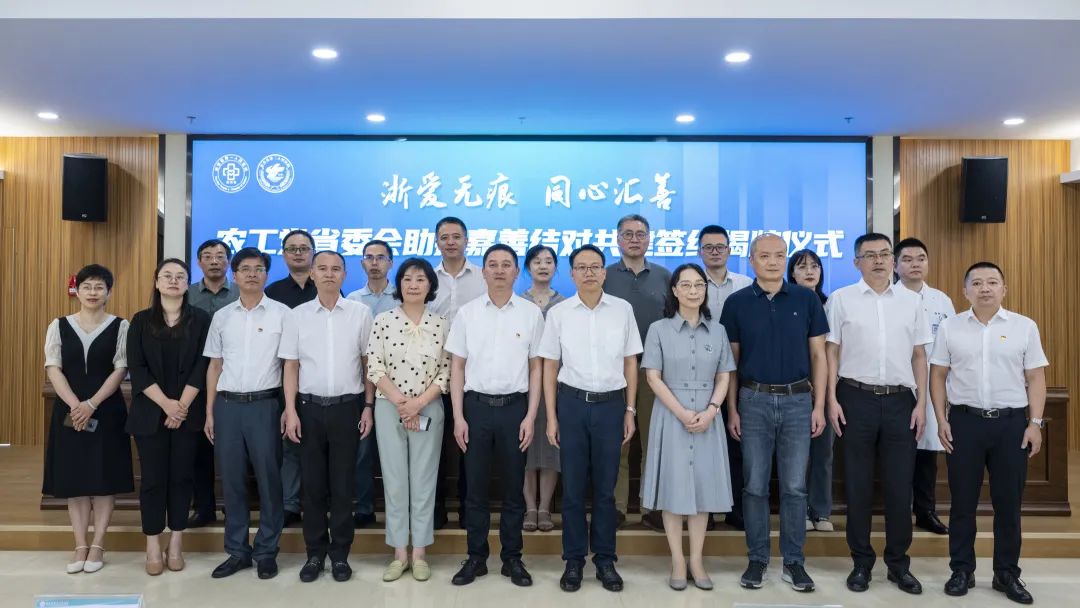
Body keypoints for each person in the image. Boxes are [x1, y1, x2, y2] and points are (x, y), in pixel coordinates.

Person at [931, 262, 1047, 605]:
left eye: (992, 282)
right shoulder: (950, 327)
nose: (985, 288)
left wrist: (1035, 423)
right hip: (964, 422)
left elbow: (1036, 378)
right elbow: (938, 375)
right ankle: (961, 570)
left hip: (1011, 425)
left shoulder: (1024, 326)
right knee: (962, 503)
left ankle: (1006, 573)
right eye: (978, 283)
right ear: (965, 291)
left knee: (1008, 504)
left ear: (1003, 289)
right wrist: (940, 419)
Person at [826, 233, 932, 595]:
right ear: (856, 262)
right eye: (870, 255)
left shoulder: (911, 301)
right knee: (857, 486)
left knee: (900, 487)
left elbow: (919, 355)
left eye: (885, 254)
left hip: (901, 401)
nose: (878, 261)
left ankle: (899, 565)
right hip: (854, 398)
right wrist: (831, 399)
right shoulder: (841, 299)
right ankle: (861, 563)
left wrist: (921, 403)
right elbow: (831, 353)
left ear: (892, 260)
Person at [722, 235, 829, 592]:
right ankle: (757, 559)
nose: (773, 261)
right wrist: (732, 409)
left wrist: (819, 406)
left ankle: (794, 562)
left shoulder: (806, 299)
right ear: (752, 260)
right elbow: (731, 363)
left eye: (779, 255)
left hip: (799, 401)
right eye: (765, 256)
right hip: (753, 401)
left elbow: (819, 356)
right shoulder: (737, 303)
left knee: (795, 487)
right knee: (754, 486)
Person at [539, 244, 641, 593]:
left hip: (611, 406)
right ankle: (573, 560)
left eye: (595, 266)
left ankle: (605, 559)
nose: (589, 273)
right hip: (571, 405)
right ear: (571, 274)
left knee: (605, 489)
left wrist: (630, 410)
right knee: (572, 490)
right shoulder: (559, 313)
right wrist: (551, 417)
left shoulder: (622, 310)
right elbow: (550, 366)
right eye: (581, 267)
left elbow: (630, 362)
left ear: (604, 272)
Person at [447, 244, 545, 587]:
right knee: (474, 489)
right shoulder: (468, 313)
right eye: (493, 264)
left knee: (513, 489)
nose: (500, 270)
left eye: (506, 265)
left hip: (515, 408)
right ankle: (476, 557)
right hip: (475, 408)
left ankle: (512, 558)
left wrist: (530, 416)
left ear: (517, 272)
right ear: (483, 271)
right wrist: (458, 417)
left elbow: (536, 368)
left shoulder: (531, 314)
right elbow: (457, 367)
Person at [279, 250, 373, 583]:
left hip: (348, 408)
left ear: (345, 274)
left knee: (343, 485)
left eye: (336, 269)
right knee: (313, 487)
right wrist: (290, 410)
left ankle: (341, 555)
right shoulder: (297, 315)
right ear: (313, 274)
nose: (329, 274)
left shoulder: (360, 313)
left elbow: (368, 364)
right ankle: (315, 554)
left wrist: (368, 406)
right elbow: (291, 366)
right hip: (308, 409)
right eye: (323, 268)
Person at [640, 263, 735, 591]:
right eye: (686, 285)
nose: (693, 291)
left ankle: (696, 559)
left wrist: (711, 411)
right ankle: (678, 561)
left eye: (699, 285)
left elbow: (724, 376)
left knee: (701, 491)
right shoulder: (658, 329)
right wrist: (682, 413)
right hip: (671, 415)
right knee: (674, 489)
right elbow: (653, 377)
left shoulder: (718, 331)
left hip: (708, 417)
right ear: (675, 290)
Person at [203, 248, 289, 580]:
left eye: (258, 268)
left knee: (269, 480)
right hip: (227, 406)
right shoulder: (222, 316)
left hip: (265, 405)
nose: (252, 274)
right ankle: (237, 551)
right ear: (234, 275)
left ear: (266, 274)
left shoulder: (282, 314)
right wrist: (210, 411)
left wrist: (288, 408)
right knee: (232, 481)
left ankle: (266, 551)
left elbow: (290, 366)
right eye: (245, 269)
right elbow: (215, 366)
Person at [42, 264, 133, 574]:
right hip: (69, 412)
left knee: (103, 479)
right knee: (76, 479)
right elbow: (53, 367)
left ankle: (98, 544)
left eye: (99, 287)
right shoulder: (59, 325)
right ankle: (80, 544)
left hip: (106, 410)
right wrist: (75, 406)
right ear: (77, 291)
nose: (93, 292)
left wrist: (91, 404)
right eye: (87, 286)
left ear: (109, 292)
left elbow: (121, 369)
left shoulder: (121, 326)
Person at [366, 258, 451, 583]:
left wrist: (418, 404)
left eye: (420, 279)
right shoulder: (383, 321)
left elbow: (446, 371)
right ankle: (399, 553)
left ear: (430, 285)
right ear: (398, 285)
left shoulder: (441, 323)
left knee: (424, 481)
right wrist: (403, 404)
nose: (413, 284)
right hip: (390, 408)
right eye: (407, 279)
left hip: (428, 407)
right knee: (395, 480)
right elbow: (374, 366)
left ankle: (419, 554)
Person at [126, 258, 211, 576]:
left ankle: (175, 542)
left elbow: (203, 365)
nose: (173, 281)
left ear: (187, 284)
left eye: (180, 276)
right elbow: (137, 368)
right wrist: (166, 405)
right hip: (150, 413)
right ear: (157, 282)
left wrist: (181, 407)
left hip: (189, 413)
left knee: (181, 478)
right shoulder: (140, 321)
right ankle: (152, 543)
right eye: (167, 276)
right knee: (153, 479)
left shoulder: (201, 320)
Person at [603, 213, 671, 530]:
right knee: (617, 443)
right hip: (613, 370)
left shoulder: (664, 276)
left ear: (649, 239)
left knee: (652, 442)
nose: (634, 239)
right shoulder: (604, 275)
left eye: (640, 234)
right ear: (618, 239)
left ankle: (651, 507)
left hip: (653, 371)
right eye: (627, 234)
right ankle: (615, 507)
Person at [895, 237, 956, 536]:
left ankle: (925, 511)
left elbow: (953, 344)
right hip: (898, 384)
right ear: (895, 266)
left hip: (933, 384)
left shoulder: (942, 301)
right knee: (899, 453)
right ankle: (897, 512)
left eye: (920, 258)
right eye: (907, 259)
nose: (915, 264)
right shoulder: (888, 298)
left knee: (927, 452)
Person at [430, 217, 485, 530]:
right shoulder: (426, 278)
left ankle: (468, 511)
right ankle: (435, 512)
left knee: (469, 449)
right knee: (434, 448)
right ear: (437, 241)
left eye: (456, 236)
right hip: (431, 376)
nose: (450, 242)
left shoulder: (482, 277)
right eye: (444, 237)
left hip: (472, 375)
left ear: (466, 240)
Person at [698, 224, 753, 531]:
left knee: (736, 444)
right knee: (702, 446)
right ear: (700, 252)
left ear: (730, 250)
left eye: (720, 246)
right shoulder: (691, 282)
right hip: (698, 375)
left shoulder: (746, 284)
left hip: (739, 375)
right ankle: (704, 511)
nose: (715, 252)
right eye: (709, 247)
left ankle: (735, 508)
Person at [265, 229, 318, 528]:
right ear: (284, 255)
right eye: (292, 249)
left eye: (304, 248)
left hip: (319, 381)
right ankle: (289, 504)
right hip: (281, 379)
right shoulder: (272, 292)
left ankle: (314, 502)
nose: (298, 253)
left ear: (312, 253)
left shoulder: (326, 286)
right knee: (289, 444)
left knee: (317, 447)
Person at [346, 239, 398, 529]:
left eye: (381, 257)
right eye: (369, 257)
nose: (375, 262)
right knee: (362, 453)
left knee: (396, 454)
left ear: (391, 262)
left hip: (399, 388)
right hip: (361, 385)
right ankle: (364, 508)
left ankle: (397, 511)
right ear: (362, 263)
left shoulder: (403, 297)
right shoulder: (352, 300)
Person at [187, 238, 238, 528]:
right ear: (199, 263)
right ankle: (203, 507)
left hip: (235, 379)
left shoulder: (241, 293)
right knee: (199, 448)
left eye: (220, 256)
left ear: (229, 261)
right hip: (195, 380)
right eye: (208, 256)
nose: (214, 261)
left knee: (237, 449)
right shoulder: (188, 294)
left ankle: (235, 507)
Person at [519, 244, 566, 533]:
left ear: (556, 267)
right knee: (524, 446)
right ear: (528, 268)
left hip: (556, 386)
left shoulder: (564, 305)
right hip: (521, 385)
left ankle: (545, 507)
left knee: (550, 447)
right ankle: (530, 507)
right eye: (537, 261)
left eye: (549, 261)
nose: (543, 266)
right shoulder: (518, 303)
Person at [787, 249, 833, 533]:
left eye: (815, 266)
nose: (809, 271)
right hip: (796, 387)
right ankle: (800, 510)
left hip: (826, 388)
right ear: (792, 273)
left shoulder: (831, 304)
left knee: (823, 453)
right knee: (796, 455)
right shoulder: (785, 303)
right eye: (802, 267)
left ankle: (821, 511)